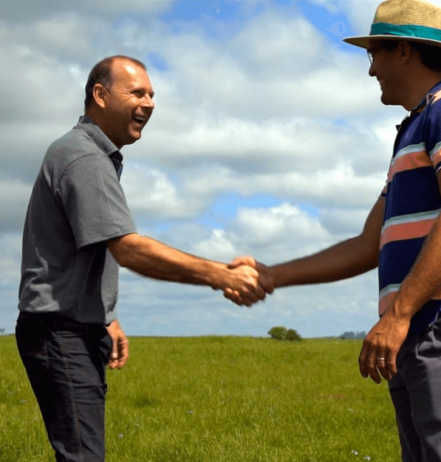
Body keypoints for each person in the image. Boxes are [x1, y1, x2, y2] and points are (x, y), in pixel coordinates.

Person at [16, 55, 273, 462]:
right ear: (100, 95)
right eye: (137, 92)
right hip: (60, 331)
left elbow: (83, 247)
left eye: (152, 94)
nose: (149, 102)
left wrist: (106, 316)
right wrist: (219, 274)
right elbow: (128, 247)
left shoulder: (91, 155)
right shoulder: (83, 158)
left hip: (72, 326)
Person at [228, 0, 441, 460]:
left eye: (374, 56)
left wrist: (399, 314)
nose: (371, 72)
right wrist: (271, 275)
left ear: (403, 52)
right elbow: (368, 244)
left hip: (429, 329)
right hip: (414, 336)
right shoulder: (412, 130)